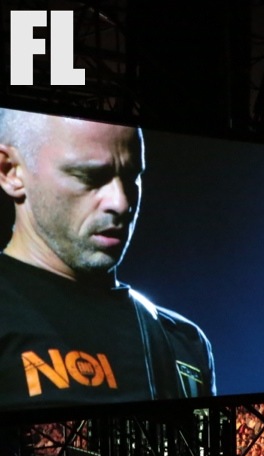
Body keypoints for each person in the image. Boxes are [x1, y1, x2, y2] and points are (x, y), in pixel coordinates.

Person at [0, 108, 214, 408]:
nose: (121, 202)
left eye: (131, 177)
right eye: (91, 176)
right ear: (10, 171)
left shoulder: (183, 343)